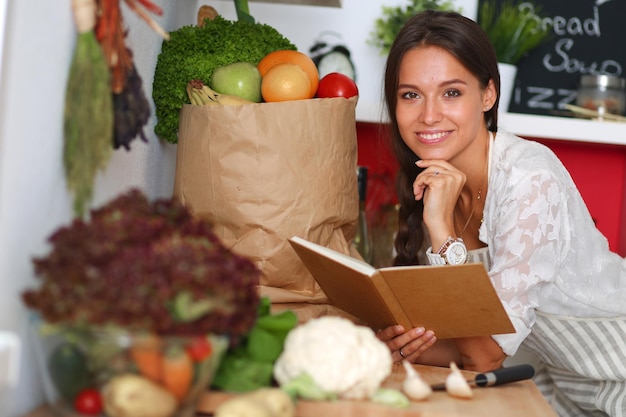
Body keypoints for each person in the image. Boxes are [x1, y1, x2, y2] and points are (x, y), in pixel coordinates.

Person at [375, 9, 626, 417]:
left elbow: (484, 355)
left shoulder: (528, 177)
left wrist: (440, 230)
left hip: (618, 378)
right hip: (551, 385)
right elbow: (471, 343)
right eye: (411, 95)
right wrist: (392, 346)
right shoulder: (437, 181)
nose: (429, 115)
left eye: (451, 92)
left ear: (488, 94)